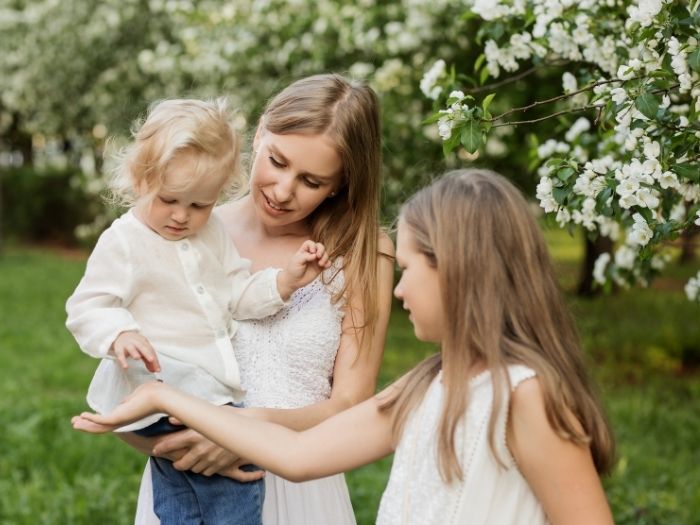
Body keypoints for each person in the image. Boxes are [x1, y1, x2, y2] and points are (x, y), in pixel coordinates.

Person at [75, 169, 617, 524]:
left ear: (463, 273)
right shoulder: (428, 383)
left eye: (410, 270)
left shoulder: (527, 397)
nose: (399, 289)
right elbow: (299, 455)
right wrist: (166, 399)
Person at [106, 74, 394, 524]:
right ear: (259, 133)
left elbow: (349, 404)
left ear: (341, 184)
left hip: (302, 485)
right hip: (193, 478)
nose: (283, 191)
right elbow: (134, 381)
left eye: (312, 181)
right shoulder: (186, 233)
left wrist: (243, 431)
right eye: (277, 161)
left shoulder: (362, 252)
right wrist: (184, 443)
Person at [66, 98, 331, 525]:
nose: (182, 216)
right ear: (140, 179)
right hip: (164, 388)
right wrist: (119, 335)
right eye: (170, 199)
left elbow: (237, 295)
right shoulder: (124, 242)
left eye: (199, 205)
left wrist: (284, 282)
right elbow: (88, 304)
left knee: (182, 498)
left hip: (201, 392)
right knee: (236, 490)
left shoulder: (212, 234)